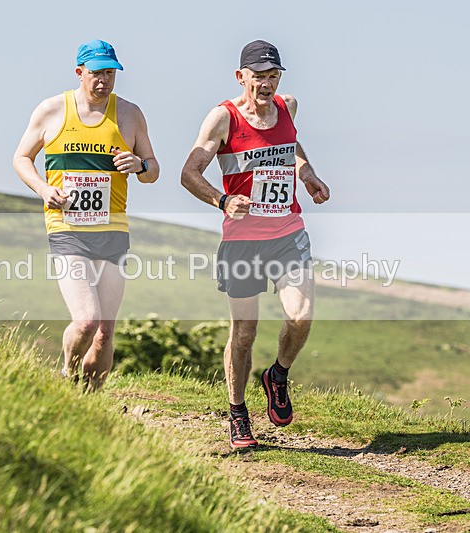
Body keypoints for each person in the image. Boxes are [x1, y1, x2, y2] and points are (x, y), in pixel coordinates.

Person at [181, 40, 330, 448]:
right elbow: (189, 172)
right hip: (243, 241)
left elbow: (290, 144)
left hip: (288, 234)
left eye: (273, 76)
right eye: (258, 76)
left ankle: (277, 376)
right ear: (241, 76)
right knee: (244, 332)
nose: (266, 84)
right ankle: (237, 414)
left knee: (300, 317)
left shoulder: (287, 106)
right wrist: (224, 200)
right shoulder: (222, 118)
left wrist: (307, 172)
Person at [13, 39, 159, 391]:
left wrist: (140, 165)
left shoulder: (129, 114)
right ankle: (67, 375)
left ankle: (90, 400)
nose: (103, 81)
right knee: (86, 321)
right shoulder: (52, 110)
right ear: (79, 72)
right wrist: (44, 189)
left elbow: (153, 170)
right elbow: (21, 158)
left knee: (106, 330)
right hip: (68, 228)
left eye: (110, 73)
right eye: (96, 73)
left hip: (113, 230)